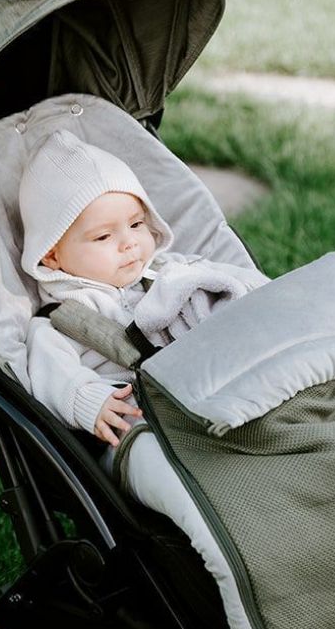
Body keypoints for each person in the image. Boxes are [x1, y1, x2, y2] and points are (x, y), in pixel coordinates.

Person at [19, 130, 268, 459]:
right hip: (136, 423)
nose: (130, 243)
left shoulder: (171, 271)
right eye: (104, 236)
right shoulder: (59, 320)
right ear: (51, 255)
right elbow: (54, 375)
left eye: (136, 225)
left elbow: (233, 283)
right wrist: (91, 402)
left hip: (208, 393)